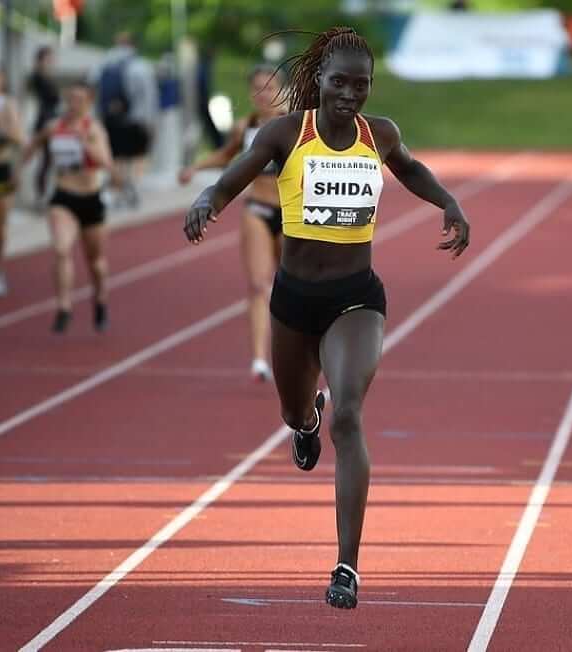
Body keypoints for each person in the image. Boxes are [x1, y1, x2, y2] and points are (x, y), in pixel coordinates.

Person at [183, 27, 470, 608]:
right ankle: (302, 421)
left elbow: (411, 170)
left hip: (355, 299)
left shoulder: (379, 134)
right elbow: (237, 173)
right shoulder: (287, 132)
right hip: (293, 300)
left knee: (351, 414)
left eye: (360, 85)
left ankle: (346, 566)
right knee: (296, 410)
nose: (350, 94)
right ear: (319, 80)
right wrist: (208, 199)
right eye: (339, 82)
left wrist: (449, 203)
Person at [179, 64, 286, 382]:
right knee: (257, 286)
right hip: (258, 209)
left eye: (270, 87)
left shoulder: (297, 125)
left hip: (293, 215)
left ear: (281, 89)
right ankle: (258, 359)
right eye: (258, 88)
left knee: (294, 289)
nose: (264, 94)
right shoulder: (246, 126)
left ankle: (298, 354)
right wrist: (196, 168)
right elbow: (227, 155)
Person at [23, 80, 114, 333]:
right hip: (63, 196)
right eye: (70, 98)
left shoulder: (94, 129)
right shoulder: (54, 127)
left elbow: (107, 162)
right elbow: (34, 143)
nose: (73, 104)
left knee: (95, 260)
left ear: (89, 102)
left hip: (91, 199)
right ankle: (64, 306)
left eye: (79, 99)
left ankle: (100, 299)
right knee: (62, 250)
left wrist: (85, 142)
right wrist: (20, 165)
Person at [93, 32, 158, 208]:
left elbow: (93, 88)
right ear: (134, 45)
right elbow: (149, 96)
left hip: (111, 119)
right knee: (137, 156)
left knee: (117, 157)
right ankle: (132, 187)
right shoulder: (141, 66)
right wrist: (151, 122)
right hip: (135, 120)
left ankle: (119, 190)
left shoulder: (105, 62)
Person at [0, 68, 25, 297]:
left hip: (2, 170)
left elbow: (19, 137)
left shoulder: (7, 104)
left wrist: (3, 133)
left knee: (0, 224)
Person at [28, 46, 60, 199]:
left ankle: (43, 192)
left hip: (50, 117)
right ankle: (40, 194)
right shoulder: (39, 76)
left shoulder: (45, 76)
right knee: (46, 158)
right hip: (46, 119)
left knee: (48, 158)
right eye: (48, 58)